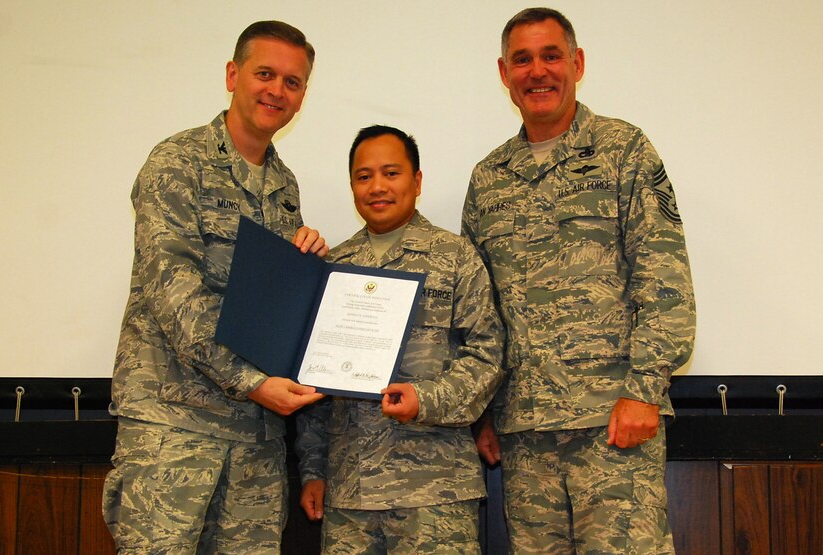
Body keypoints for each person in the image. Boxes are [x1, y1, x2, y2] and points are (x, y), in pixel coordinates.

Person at [462, 8, 696, 554]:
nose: (537, 71)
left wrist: (643, 390)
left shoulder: (623, 150)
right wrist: (484, 410)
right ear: (504, 73)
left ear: (577, 63)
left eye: (551, 56)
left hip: (613, 424)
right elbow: (478, 312)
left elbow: (664, 275)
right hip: (525, 434)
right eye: (522, 59)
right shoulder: (488, 178)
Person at [103, 20, 328, 554]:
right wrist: (251, 381)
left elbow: (270, 304)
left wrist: (308, 268)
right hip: (173, 426)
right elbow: (175, 295)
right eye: (265, 73)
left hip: (255, 437)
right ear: (233, 74)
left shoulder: (284, 187)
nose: (277, 90)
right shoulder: (176, 164)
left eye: (292, 82)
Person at [296, 125, 505, 554]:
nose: (377, 187)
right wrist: (313, 470)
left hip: (434, 493)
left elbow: (487, 356)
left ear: (417, 181)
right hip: (348, 494)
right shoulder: (333, 266)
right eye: (363, 176)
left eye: (391, 173)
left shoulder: (455, 256)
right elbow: (312, 380)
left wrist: (426, 400)